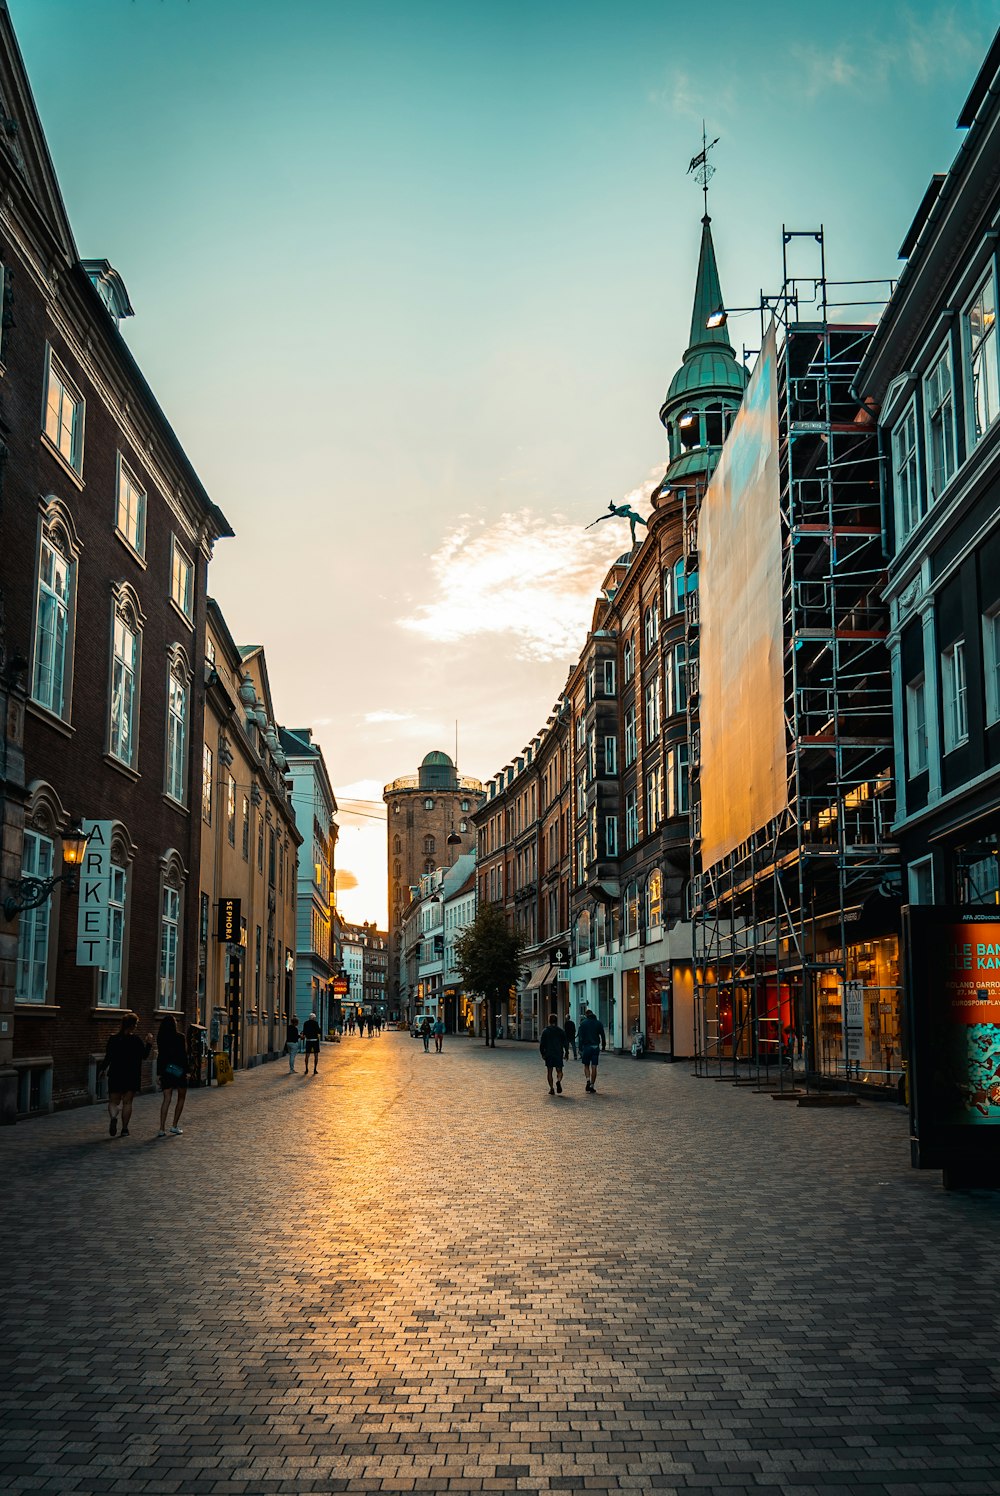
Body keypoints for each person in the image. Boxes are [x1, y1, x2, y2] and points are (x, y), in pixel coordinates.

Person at [98, 1012, 152, 1137]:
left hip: (116, 1074)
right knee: (127, 1103)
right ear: (133, 1025)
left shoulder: (113, 1039)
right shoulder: (136, 1040)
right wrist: (149, 1043)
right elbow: (144, 1056)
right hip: (131, 1075)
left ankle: (113, 1116)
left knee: (113, 1101)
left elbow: (108, 1057)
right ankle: (125, 1129)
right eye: (136, 1024)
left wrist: (102, 1069)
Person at [156, 1015, 188, 1136]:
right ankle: (174, 1125)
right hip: (179, 1071)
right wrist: (188, 1071)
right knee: (181, 1097)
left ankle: (161, 1128)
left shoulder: (161, 1038)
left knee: (166, 1099)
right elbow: (183, 1055)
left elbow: (160, 1057)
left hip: (166, 1070)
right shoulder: (180, 1037)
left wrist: (159, 1073)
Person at [577, 1006, 607, 1093]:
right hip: (595, 1047)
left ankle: (587, 1080)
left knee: (586, 1065)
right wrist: (604, 1046)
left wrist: (580, 1048)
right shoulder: (598, 1023)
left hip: (586, 1047)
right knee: (594, 1066)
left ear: (586, 1015)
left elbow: (580, 1037)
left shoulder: (583, 1023)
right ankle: (592, 1085)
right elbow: (603, 1035)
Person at [539, 1013, 569, 1095]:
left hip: (549, 1054)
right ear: (556, 1021)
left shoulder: (545, 1031)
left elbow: (542, 1044)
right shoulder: (561, 1031)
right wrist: (566, 1052)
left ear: (549, 1021)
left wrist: (542, 1053)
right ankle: (558, 1081)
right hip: (558, 1053)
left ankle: (551, 1088)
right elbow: (565, 1043)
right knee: (559, 1070)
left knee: (549, 1071)